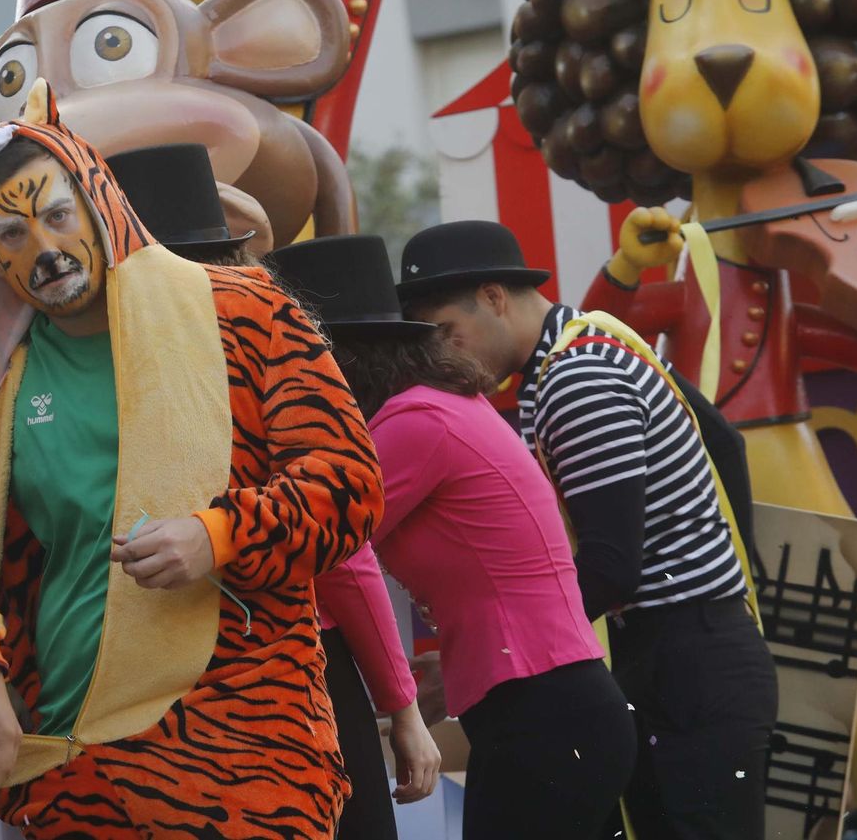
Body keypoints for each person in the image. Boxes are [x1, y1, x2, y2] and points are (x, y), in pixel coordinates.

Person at [0, 80, 384, 837]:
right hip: (73, 765)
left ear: (98, 203)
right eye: (10, 235)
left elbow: (350, 485)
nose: (43, 250)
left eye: (55, 215)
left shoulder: (245, 313)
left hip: (240, 750)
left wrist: (217, 536)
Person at [399, 220, 777, 839]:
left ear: (494, 297)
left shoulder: (579, 378)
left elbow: (609, 566)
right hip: (686, 650)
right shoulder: (591, 342)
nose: (443, 359)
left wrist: (492, 654)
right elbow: (724, 444)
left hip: (684, 664)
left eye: (447, 334)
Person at [109, 142, 438, 835]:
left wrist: (401, 706)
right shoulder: (228, 356)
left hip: (247, 682)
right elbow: (347, 559)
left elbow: (344, 548)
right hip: (261, 675)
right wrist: (401, 707)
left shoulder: (196, 360)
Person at [269, 235, 635, 838]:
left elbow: (327, 546)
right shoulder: (442, 406)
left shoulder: (417, 422)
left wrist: (397, 697)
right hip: (554, 707)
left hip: (544, 712)